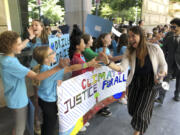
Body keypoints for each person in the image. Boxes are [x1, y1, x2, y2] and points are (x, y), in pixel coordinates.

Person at [0, 31, 69, 135]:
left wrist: (28, 38)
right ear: (10, 46)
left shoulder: (4, 56)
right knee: (20, 128)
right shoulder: (11, 63)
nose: (22, 46)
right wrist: (58, 67)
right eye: (19, 44)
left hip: (14, 97)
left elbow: (21, 46)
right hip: (18, 101)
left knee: (20, 124)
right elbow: (37, 77)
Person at [102, 26, 167, 135]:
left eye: (133, 36)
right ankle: (144, 117)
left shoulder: (154, 48)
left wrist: (162, 73)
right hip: (135, 82)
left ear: (141, 36)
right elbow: (121, 68)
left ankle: (138, 130)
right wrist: (108, 63)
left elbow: (163, 64)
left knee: (141, 112)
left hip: (150, 83)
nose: (130, 39)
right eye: (129, 36)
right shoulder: (129, 50)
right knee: (132, 110)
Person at [32, 46, 100, 135]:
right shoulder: (49, 70)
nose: (55, 54)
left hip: (44, 100)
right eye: (51, 53)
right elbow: (71, 68)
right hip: (49, 103)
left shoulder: (45, 68)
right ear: (46, 59)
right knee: (50, 125)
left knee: (47, 123)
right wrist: (88, 64)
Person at [155, 18, 180, 103]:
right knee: (166, 80)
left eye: (174, 27)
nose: (172, 29)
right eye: (171, 26)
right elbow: (164, 48)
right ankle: (161, 97)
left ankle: (177, 95)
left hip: (179, 63)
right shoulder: (169, 34)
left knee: (179, 80)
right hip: (169, 61)